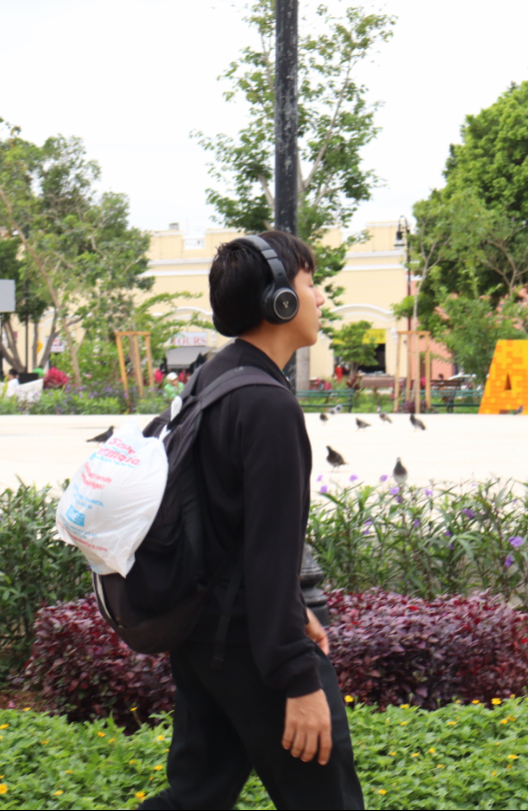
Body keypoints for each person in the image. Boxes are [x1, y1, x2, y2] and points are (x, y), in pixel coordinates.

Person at [140, 231, 363, 810]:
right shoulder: (267, 405)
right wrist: (298, 678)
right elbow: (269, 554)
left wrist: (293, 610)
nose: (318, 298)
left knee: (197, 797)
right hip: (252, 649)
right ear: (279, 302)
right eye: (310, 283)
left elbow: (232, 532)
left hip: (201, 635)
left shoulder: (210, 380)